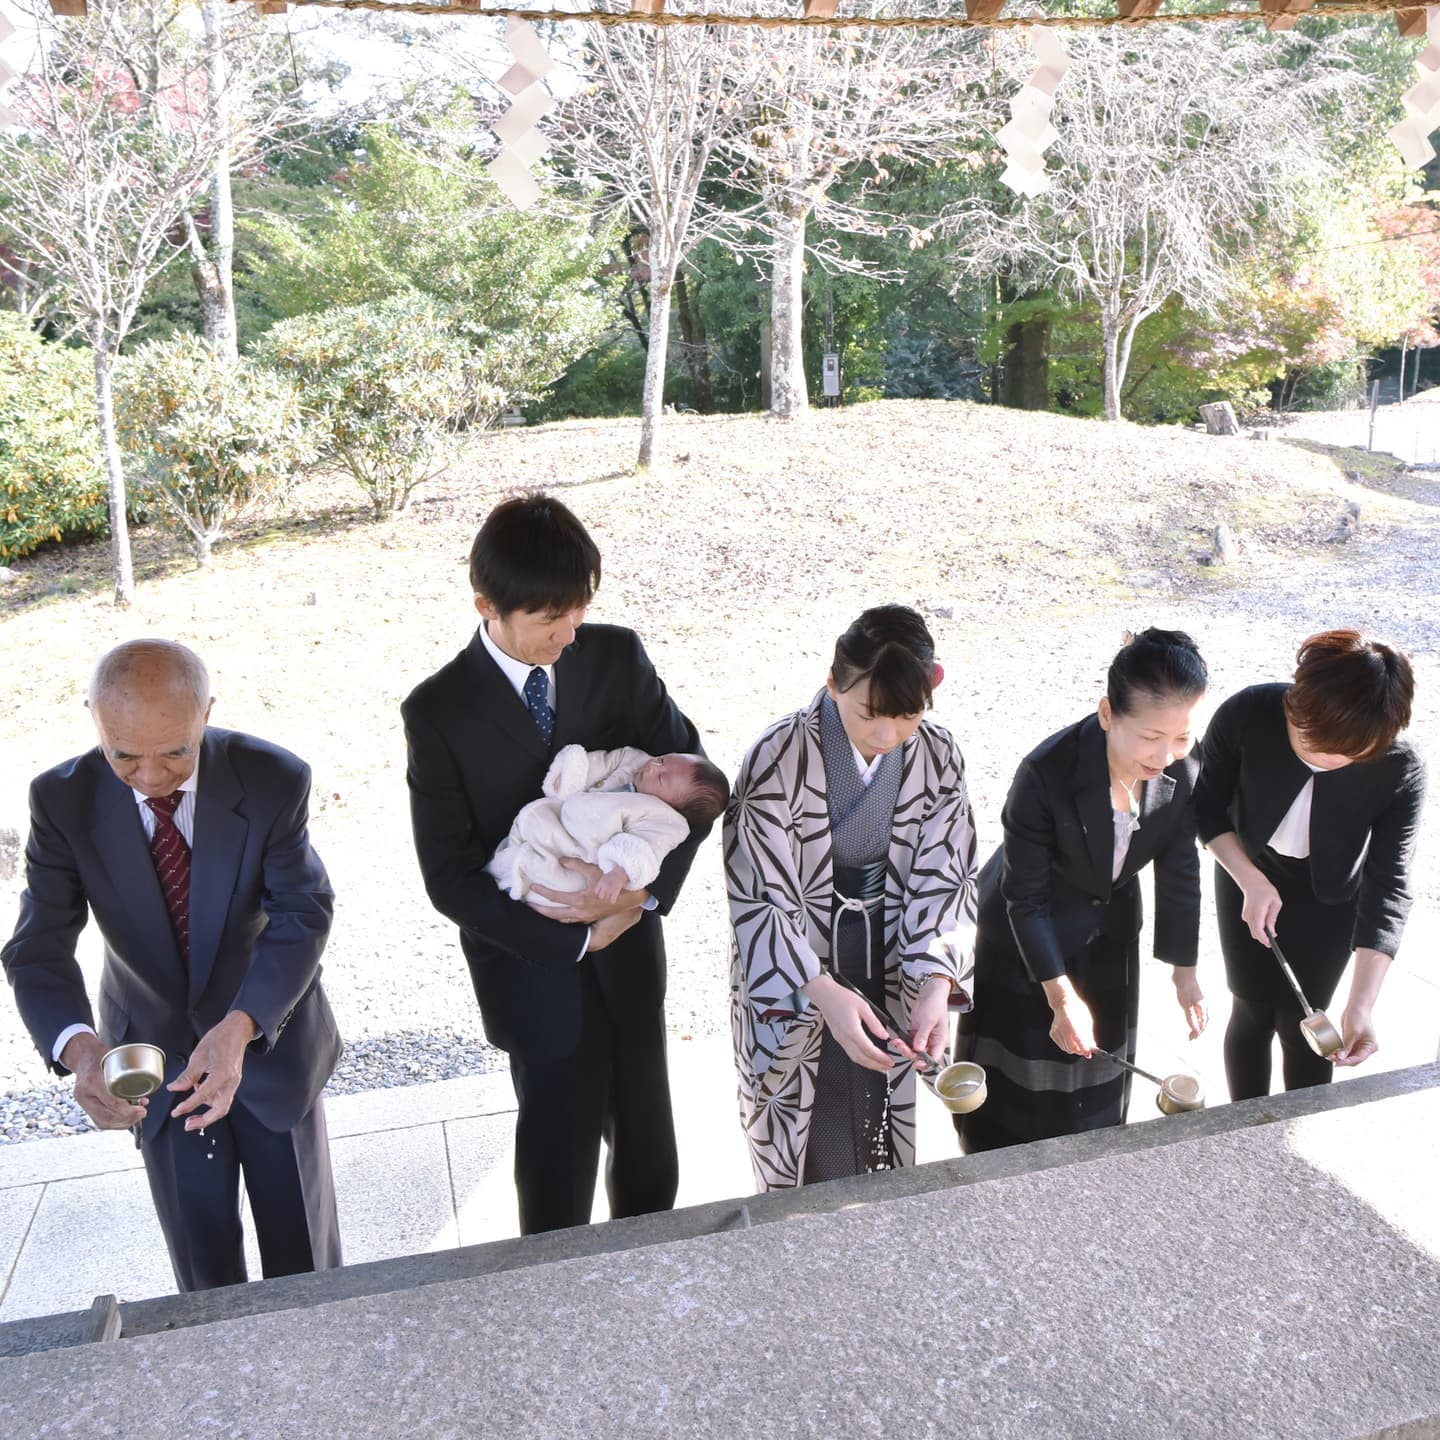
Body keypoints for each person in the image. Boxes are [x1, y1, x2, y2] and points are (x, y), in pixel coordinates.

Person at [402, 493, 711, 1235]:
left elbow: (695, 785)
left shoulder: (615, 657)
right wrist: (573, 937)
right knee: (555, 1152)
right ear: (488, 604)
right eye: (550, 619)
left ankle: (651, 1264)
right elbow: (448, 874)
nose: (569, 633)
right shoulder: (437, 710)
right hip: (529, 964)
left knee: (649, 1143)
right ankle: (551, 1292)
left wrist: (641, 901)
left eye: (579, 610)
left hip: (632, 946)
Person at [1, 640, 342, 1292]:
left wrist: (241, 1027)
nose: (153, 776)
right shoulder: (60, 802)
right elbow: (37, 948)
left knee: (308, 1274)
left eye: (176, 753)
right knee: (203, 1279)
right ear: (94, 720)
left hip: (271, 1045)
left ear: (207, 712)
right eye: (124, 755)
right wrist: (81, 1054)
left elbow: (304, 913)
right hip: (152, 1065)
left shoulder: (272, 778)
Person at [725, 605, 978, 1191]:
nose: (887, 735)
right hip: (802, 970)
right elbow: (759, 894)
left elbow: (948, 875)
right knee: (813, 1133)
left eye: (908, 715)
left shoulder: (939, 755)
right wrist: (822, 992)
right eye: (870, 713)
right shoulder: (777, 756)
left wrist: (937, 984)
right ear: (834, 681)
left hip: (895, 959)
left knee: (882, 1105)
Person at [955, 629, 1208, 1154]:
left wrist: (1185, 971)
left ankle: (1091, 1168)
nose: (1164, 755)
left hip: (1108, 928)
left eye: (1181, 737)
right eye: (1149, 736)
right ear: (1107, 713)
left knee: (1097, 1081)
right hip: (1028, 936)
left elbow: (1180, 861)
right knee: (1019, 1094)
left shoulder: (1184, 762)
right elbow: (1024, 897)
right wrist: (1059, 993)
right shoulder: (1046, 773)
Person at [1193, 630, 1425, 1098]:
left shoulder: (1400, 766)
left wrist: (1361, 1006)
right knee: (1251, 1009)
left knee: (1308, 1020)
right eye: (1313, 741)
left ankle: (1296, 1126)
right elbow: (1206, 807)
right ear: (1295, 702)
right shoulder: (1249, 713)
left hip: (1334, 895)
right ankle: (1243, 1128)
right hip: (1247, 868)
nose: (1327, 758)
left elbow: (1390, 885)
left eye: (1348, 754)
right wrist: (1249, 880)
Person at [487, 743, 728, 906]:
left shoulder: (666, 821)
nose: (654, 767)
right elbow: (599, 763)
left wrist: (618, 872)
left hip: (586, 856)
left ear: (676, 806)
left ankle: (521, 877)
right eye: (663, 760)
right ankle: (506, 867)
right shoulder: (633, 760)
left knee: (564, 883)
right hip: (561, 820)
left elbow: (643, 849)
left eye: (662, 778)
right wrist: (569, 774)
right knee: (532, 825)